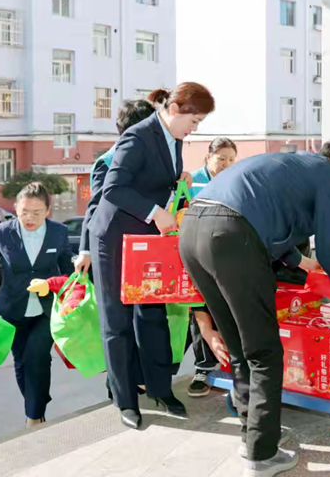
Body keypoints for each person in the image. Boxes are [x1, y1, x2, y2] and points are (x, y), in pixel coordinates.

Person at [179, 137, 330, 477]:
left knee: (238, 344)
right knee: (265, 351)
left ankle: (250, 436)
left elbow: (267, 216)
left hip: (193, 230)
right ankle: (262, 455)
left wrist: (300, 261)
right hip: (231, 236)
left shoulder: (295, 164)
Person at [88, 82, 215, 429]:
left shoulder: (173, 138)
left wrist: (178, 181)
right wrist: (154, 212)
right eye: (195, 120)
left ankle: (161, 389)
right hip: (114, 239)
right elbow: (113, 189)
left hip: (147, 241)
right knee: (117, 323)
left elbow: (155, 178)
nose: (195, 128)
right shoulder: (137, 136)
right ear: (175, 110)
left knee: (153, 317)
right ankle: (126, 400)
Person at [0, 183, 73, 428]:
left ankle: (34, 416)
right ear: (16, 209)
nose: (30, 218)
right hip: (13, 311)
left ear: (48, 210)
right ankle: (36, 404)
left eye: (37, 213)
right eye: (24, 212)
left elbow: (69, 275)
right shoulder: (2, 232)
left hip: (45, 310)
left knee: (36, 356)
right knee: (20, 361)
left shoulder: (58, 233)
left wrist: (51, 283)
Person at [74, 99, 156, 275]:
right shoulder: (108, 162)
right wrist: (85, 250)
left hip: (148, 243)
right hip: (116, 247)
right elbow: (95, 206)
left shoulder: (153, 159)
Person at [186, 137, 238, 398]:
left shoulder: (234, 182)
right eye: (221, 159)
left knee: (227, 309)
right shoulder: (192, 181)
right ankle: (203, 368)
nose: (226, 164)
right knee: (199, 309)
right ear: (208, 158)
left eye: (231, 160)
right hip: (195, 254)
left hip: (227, 256)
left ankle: (231, 363)